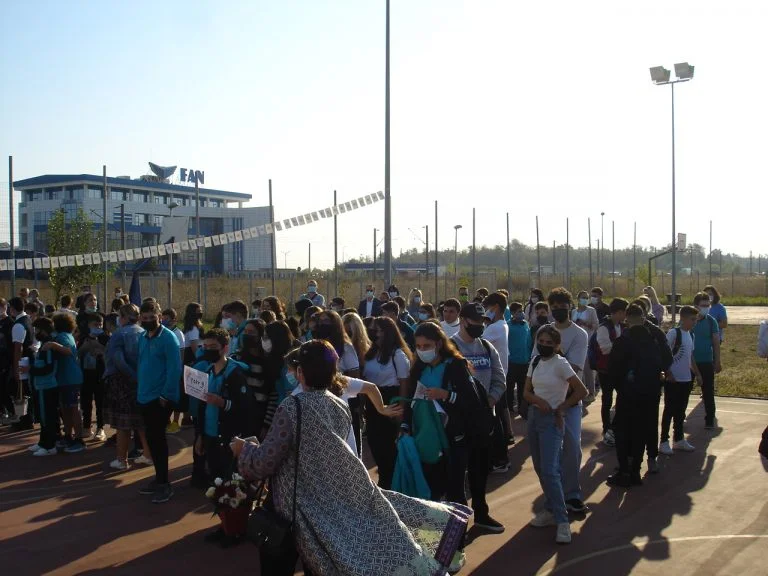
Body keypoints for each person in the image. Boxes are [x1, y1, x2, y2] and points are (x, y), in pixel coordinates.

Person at [232, 339, 471, 576]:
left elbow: (265, 462)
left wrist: (245, 450)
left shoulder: (291, 407)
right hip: (331, 500)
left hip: (298, 507)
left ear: (301, 372)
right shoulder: (337, 404)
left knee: (279, 563)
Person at [405, 321, 504, 534]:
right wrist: (404, 425)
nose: (422, 350)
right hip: (428, 437)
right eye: (418, 346)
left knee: (456, 489)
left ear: (439, 344)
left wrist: (446, 395)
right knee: (433, 487)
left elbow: (472, 401)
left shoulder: (456, 365)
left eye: (426, 346)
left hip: (457, 437)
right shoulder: (418, 368)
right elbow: (410, 399)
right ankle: (434, 538)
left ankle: (457, 540)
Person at [524, 325, 588, 544]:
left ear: (557, 345)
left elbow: (581, 390)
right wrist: (538, 401)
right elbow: (526, 392)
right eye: (541, 341)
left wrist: (561, 407)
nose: (544, 345)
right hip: (535, 417)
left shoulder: (561, 364)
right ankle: (551, 508)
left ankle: (562, 521)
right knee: (540, 467)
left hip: (552, 420)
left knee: (551, 470)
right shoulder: (535, 362)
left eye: (549, 343)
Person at [606, 304, 670, 487]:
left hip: (628, 394)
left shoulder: (623, 341)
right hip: (650, 393)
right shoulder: (654, 337)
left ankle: (624, 470)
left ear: (627, 319)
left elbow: (613, 370)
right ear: (643, 318)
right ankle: (635, 470)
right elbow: (667, 360)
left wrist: (620, 387)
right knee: (642, 431)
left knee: (623, 432)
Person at [190, 330, 250, 515]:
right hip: (210, 434)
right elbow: (201, 407)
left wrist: (223, 403)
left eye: (213, 347)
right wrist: (200, 435)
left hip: (227, 437)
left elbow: (244, 408)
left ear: (225, 348)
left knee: (231, 483)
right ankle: (224, 520)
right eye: (205, 346)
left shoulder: (235, 374)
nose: (208, 350)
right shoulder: (207, 371)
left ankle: (234, 522)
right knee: (216, 480)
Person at [544, 287, 589, 513]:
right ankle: (552, 496)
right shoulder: (544, 331)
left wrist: (553, 357)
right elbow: (537, 362)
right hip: (545, 400)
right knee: (548, 452)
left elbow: (574, 368)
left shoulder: (580, 334)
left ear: (570, 307)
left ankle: (572, 494)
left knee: (572, 448)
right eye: (554, 307)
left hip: (569, 400)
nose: (559, 310)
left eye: (563, 306)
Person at [451, 302, 508, 478]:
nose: (480, 325)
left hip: (483, 417)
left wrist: (490, 401)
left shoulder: (487, 347)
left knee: (480, 470)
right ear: (463, 320)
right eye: (475, 321)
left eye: (482, 321)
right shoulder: (450, 348)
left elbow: (500, 380)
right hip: (458, 419)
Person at [136, 300, 182, 503]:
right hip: (144, 396)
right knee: (151, 440)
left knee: (158, 440)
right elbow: (141, 364)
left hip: (160, 399)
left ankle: (164, 484)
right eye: (144, 318)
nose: (148, 321)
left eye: (152, 317)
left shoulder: (168, 338)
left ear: (160, 317)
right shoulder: (142, 337)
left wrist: (165, 395)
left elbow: (174, 369)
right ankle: (159, 478)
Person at [363, 316, 412, 489]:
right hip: (372, 401)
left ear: (387, 332)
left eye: (376, 330)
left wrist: (401, 410)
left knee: (388, 446)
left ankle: (389, 483)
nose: (372, 332)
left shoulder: (397, 354)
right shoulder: (371, 353)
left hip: (391, 400)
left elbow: (404, 383)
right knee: (374, 442)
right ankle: (385, 478)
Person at [104, 304, 152, 470]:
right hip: (141, 380)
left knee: (123, 423)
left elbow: (118, 360)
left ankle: (121, 459)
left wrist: (132, 376)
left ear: (123, 317)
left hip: (122, 382)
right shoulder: (143, 332)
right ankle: (148, 454)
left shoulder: (119, 334)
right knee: (141, 421)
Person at [660, 305, 703, 456]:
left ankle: (678, 439)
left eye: (696, 320)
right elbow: (664, 353)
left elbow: (690, 357)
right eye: (692, 319)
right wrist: (668, 372)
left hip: (686, 379)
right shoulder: (674, 333)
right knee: (669, 410)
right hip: (673, 380)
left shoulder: (691, 335)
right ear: (683, 318)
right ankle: (663, 441)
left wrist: (697, 374)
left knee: (680, 411)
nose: (694, 322)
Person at [44, 313, 86, 452]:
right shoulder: (66, 335)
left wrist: (52, 345)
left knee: (73, 409)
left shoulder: (63, 336)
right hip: (64, 378)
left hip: (70, 378)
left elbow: (68, 351)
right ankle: (68, 436)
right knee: (65, 409)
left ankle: (79, 439)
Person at [231, 319, 272, 440]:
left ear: (260, 336)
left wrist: (267, 424)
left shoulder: (268, 361)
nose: (247, 335)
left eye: (251, 332)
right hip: (239, 413)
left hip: (259, 415)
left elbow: (272, 394)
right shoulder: (237, 358)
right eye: (245, 331)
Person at [596, 298, 628, 447]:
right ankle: (606, 429)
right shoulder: (604, 327)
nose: (626, 315)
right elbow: (605, 348)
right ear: (619, 312)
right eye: (625, 312)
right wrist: (621, 345)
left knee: (624, 397)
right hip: (606, 370)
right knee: (607, 400)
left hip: (619, 369)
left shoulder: (622, 326)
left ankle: (616, 426)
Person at [27, 317, 59, 456]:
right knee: (44, 415)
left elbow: (49, 368)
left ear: (43, 330)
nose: (35, 332)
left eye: (37, 330)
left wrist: (31, 369)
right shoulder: (44, 345)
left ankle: (49, 446)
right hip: (42, 385)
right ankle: (43, 442)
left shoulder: (48, 347)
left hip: (47, 386)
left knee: (47, 416)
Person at [78, 312, 109, 441]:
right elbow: (78, 352)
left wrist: (100, 350)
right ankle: (86, 426)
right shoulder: (83, 337)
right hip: (86, 372)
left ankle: (100, 428)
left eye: (100, 324)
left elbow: (110, 353)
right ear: (89, 325)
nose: (98, 327)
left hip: (100, 373)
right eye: (95, 325)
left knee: (100, 401)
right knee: (86, 401)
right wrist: (87, 344)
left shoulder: (105, 337)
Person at [693, 291, 721, 429]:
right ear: (696, 306)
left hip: (706, 361)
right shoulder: (689, 320)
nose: (706, 308)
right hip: (690, 362)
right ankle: (679, 420)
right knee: (683, 392)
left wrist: (717, 361)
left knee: (708, 392)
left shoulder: (711, 321)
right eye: (703, 305)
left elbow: (716, 342)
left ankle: (709, 419)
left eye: (707, 305)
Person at [7, 297, 35, 430]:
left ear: (12, 308)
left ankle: (24, 420)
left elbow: (18, 348)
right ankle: (27, 418)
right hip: (28, 359)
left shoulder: (18, 324)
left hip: (22, 360)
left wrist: (16, 368)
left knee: (21, 390)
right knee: (25, 389)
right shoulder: (27, 320)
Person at [572, 290, 599, 404]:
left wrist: (585, 323)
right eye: (583, 297)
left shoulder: (591, 310)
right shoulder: (573, 311)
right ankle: (580, 391)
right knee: (578, 369)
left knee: (588, 369)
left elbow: (596, 325)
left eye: (587, 298)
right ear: (578, 299)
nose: (585, 299)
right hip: (575, 343)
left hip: (588, 341)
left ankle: (591, 392)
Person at [507, 302, 533, 419]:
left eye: (522, 311)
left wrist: (529, 356)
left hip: (524, 361)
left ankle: (522, 409)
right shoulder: (508, 326)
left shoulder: (525, 324)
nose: (522, 313)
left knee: (523, 387)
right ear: (512, 313)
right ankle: (509, 408)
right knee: (510, 387)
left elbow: (529, 341)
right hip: (512, 362)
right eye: (519, 311)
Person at [263, 321, 300, 404]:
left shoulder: (290, 363)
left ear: (276, 338)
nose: (263, 340)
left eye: (267, 337)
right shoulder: (275, 358)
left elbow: (291, 393)